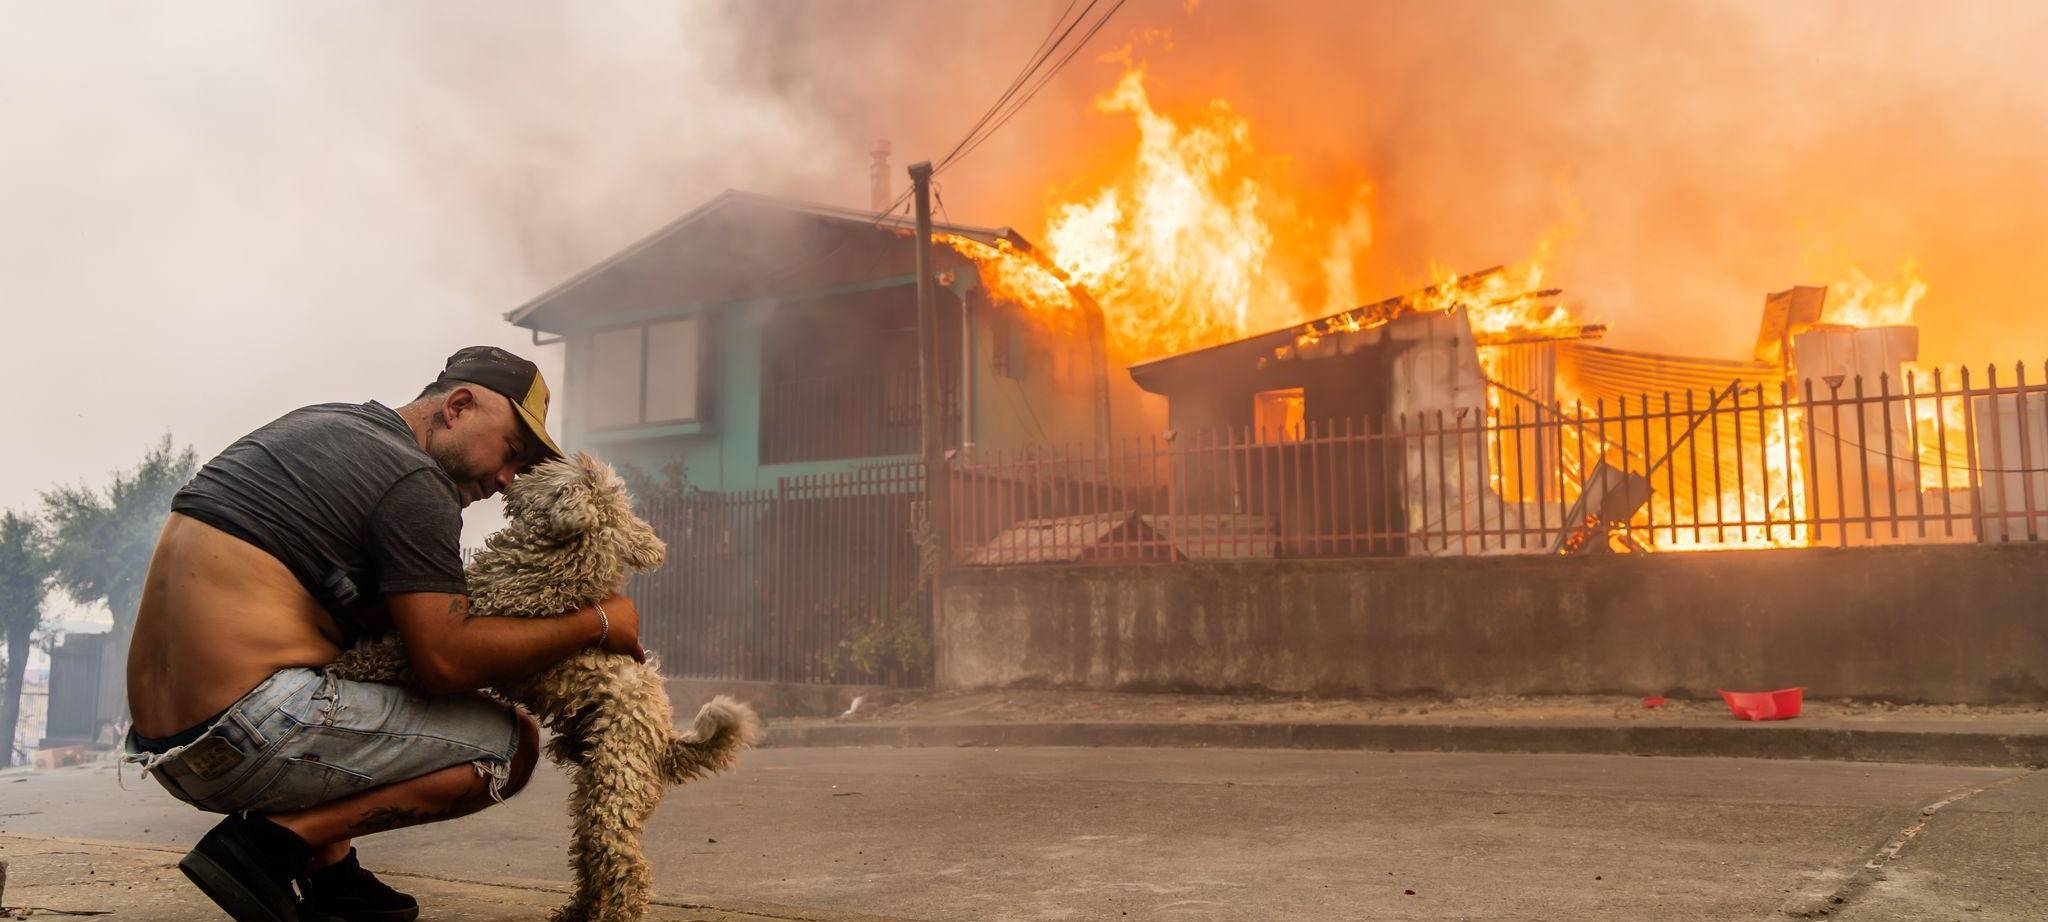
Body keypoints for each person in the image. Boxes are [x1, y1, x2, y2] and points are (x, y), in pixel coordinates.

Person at [123, 346, 647, 922]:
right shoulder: (413, 482)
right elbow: (444, 663)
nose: (504, 481)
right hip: (246, 733)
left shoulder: (323, 425)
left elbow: (369, 626)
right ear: (459, 406)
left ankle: (333, 878)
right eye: (510, 452)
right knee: (509, 747)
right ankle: (268, 848)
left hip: (166, 747)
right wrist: (596, 622)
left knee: (346, 649)